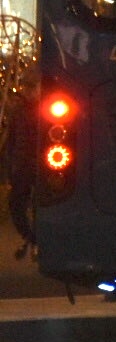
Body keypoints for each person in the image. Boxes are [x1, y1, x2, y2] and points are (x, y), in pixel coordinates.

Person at [4, 68, 38, 260]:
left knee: (39, 206)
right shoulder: (19, 111)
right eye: (26, 87)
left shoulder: (46, 109)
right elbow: (12, 141)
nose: (28, 91)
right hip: (22, 165)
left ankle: (35, 240)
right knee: (16, 205)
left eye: (31, 87)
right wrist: (10, 167)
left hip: (41, 166)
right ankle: (32, 237)